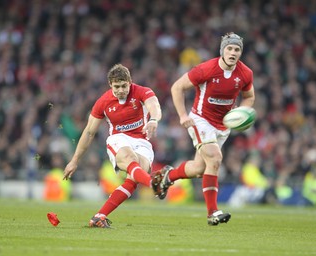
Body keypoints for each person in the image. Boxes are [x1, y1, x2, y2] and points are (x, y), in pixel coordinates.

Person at [159, 32, 256, 226]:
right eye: (229, 48)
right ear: (222, 50)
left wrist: (242, 112)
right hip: (201, 120)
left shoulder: (245, 73)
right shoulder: (206, 69)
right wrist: (183, 115)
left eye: (237, 50)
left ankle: (167, 177)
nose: (233, 52)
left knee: (199, 169)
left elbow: (249, 96)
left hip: (223, 125)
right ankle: (213, 212)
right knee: (215, 158)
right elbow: (177, 87)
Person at [63, 64, 164, 228]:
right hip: (119, 139)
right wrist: (74, 160)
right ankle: (154, 184)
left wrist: (153, 119)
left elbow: (155, 106)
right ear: (110, 85)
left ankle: (99, 216)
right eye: (117, 87)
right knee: (131, 160)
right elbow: (89, 132)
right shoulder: (103, 102)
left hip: (142, 141)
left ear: (130, 82)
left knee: (136, 176)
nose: (121, 90)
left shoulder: (142, 91)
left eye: (124, 86)